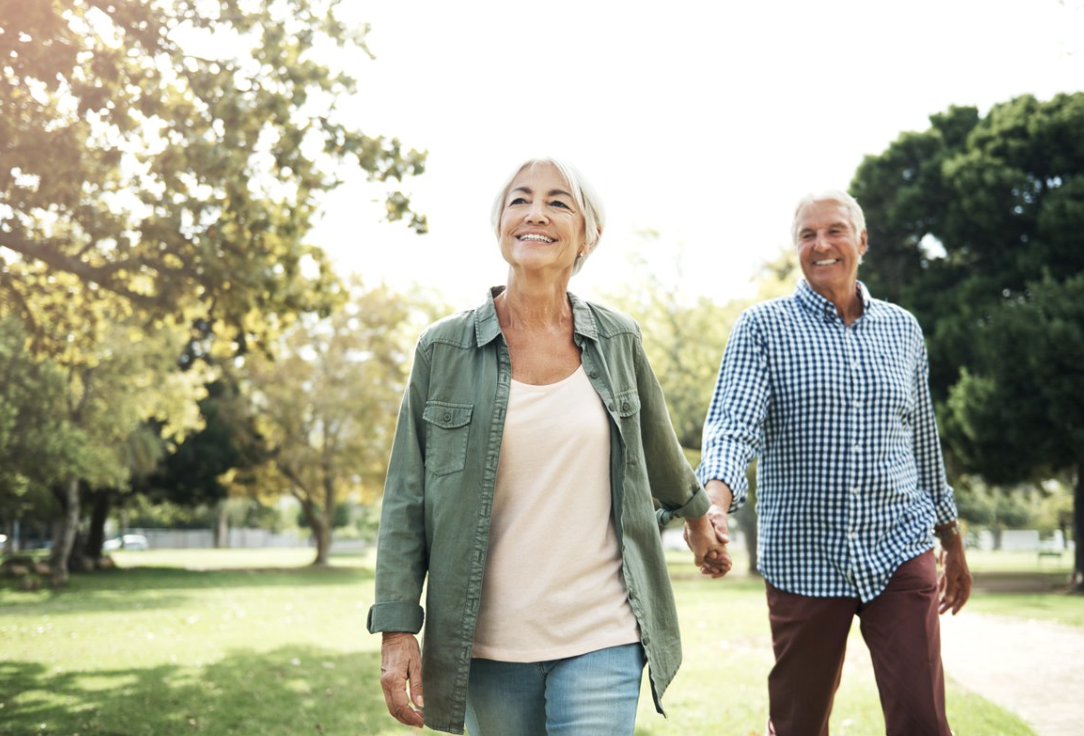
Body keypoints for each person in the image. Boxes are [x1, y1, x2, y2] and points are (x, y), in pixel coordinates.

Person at [368, 157, 731, 735]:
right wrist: (396, 628)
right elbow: (406, 501)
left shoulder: (618, 340)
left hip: (602, 631)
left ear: (588, 234)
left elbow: (658, 450)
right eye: (520, 199)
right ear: (500, 225)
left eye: (559, 202)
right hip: (485, 643)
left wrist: (696, 519)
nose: (536, 213)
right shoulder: (443, 350)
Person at [697, 190, 972, 736]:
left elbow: (923, 442)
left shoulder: (902, 329)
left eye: (835, 231)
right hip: (804, 555)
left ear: (862, 241)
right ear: (796, 247)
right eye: (807, 235)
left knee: (922, 718)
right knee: (800, 722)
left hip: (900, 545)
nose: (821, 244)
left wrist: (952, 539)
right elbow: (733, 424)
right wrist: (715, 502)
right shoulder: (763, 328)